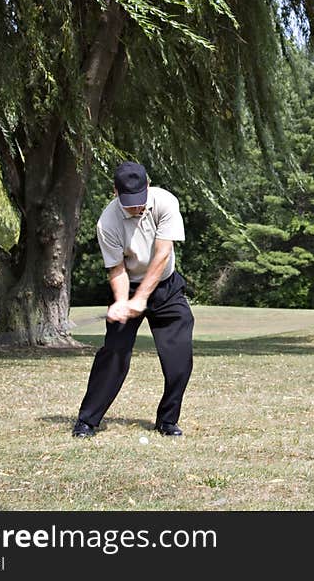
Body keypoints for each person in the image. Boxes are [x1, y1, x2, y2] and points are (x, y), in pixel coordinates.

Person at [72, 161, 194, 438]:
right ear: (115, 192)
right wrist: (121, 300)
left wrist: (141, 298)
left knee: (179, 358)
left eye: (139, 200)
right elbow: (116, 269)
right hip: (128, 286)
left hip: (166, 287)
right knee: (113, 354)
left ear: (148, 187)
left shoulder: (165, 203)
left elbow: (163, 254)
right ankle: (87, 420)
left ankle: (167, 420)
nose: (136, 208)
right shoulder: (107, 222)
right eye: (129, 202)